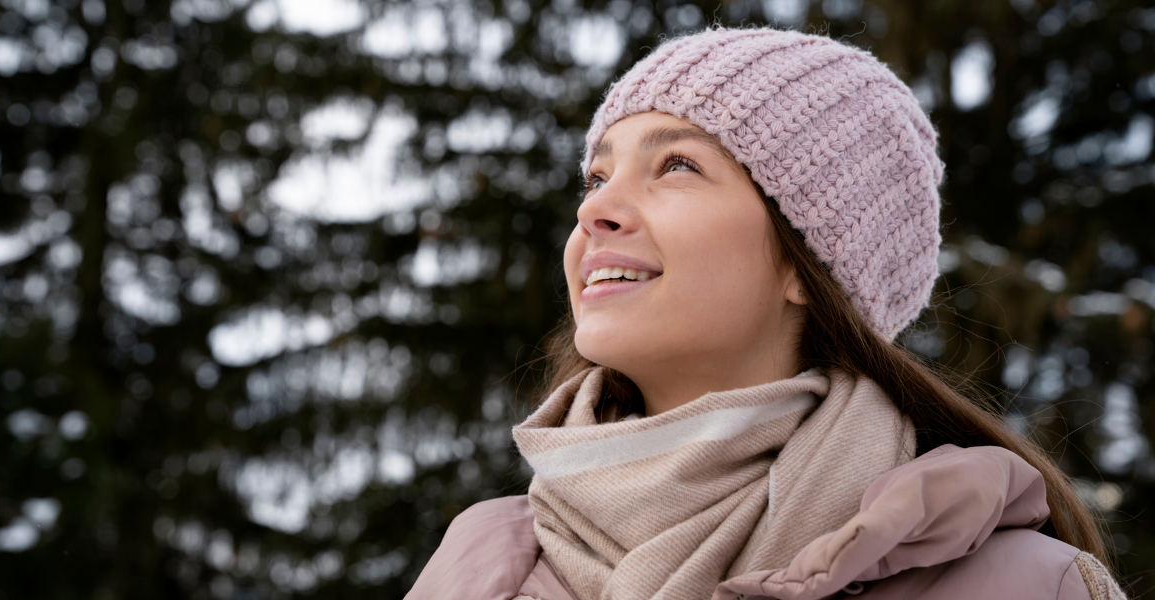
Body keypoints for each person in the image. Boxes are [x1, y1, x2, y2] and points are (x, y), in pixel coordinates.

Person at [405, 27, 1127, 600]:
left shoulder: (1027, 585)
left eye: (677, 166)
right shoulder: (480, 567)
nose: (594, 208)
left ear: (806, 263)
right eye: (597, 176)